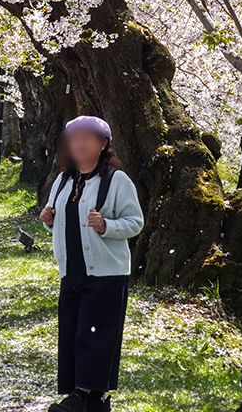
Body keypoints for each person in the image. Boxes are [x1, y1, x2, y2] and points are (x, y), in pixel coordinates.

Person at [40, 116, 144, 412]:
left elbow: (135, 222)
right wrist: (50, 221)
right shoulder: (63, 180)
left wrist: (107, 226)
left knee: (94, 335)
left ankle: (82, 397)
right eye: (74, 138)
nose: (80, 144)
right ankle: (92, 400)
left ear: (103, 144)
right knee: (74, 333)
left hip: (106, 273)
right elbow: (63, 220)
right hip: (71, 271)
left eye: (88, 138)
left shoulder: (116, 180)